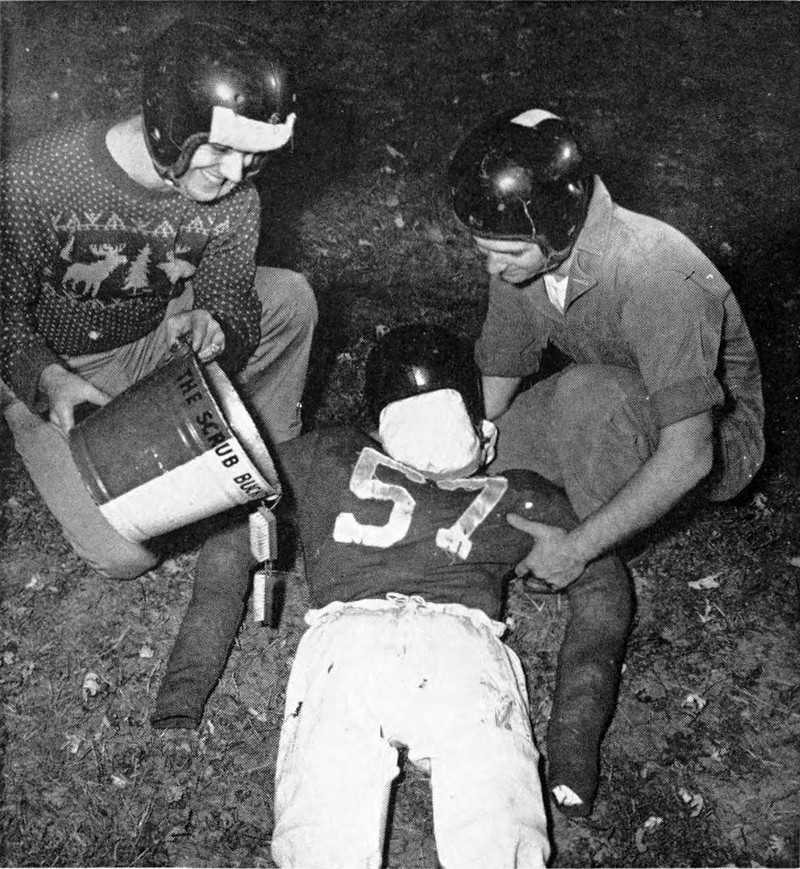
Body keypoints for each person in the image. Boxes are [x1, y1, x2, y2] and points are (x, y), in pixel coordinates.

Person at [152, 325, 633, 865]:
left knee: (323, 840)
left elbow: (231, 533)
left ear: (379, 430)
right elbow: (603, 590)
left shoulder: (328, 452)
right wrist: (573, 746)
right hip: (462, 651)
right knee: (496, 838)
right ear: (485, 436)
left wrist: (186, 684)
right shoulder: (517, 491)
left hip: (348, 647)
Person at [0, 18, 317, 579]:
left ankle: (263, 467)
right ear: (170, 125)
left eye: (252, 155)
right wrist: (45, 380)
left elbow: (233, 299)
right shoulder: (38, 179)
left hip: (151, 339)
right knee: (127, 556)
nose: (236, 172)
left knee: (289, 298)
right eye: (221, 149)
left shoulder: (235, 195)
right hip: (53, 366)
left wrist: (214, 323)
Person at [448, 107, 765, 590]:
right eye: (482, 249)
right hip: (615, 390)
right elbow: (500, 372)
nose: (493, 268)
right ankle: (585, 494)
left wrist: (577, 548)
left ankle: (602, 562)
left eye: (508, 253)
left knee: (587, 396)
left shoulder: (657, 275)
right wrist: (461, 445)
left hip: (716, 435)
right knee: (481, 471)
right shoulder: (524, 255)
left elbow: (690, 455)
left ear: (560, 228)